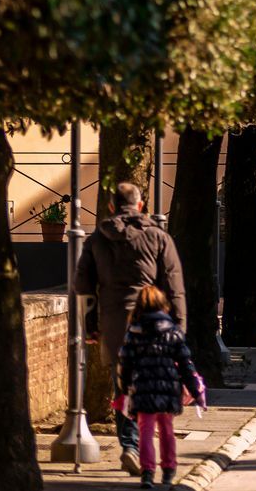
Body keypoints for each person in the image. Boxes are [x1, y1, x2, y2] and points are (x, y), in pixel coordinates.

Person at [75, 181, 186, 474]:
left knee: (122, 385)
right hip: (153, 323)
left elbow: (83, 285)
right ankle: (142, 445)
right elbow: (175, 289)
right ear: (140, 205)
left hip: (113, 322)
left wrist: (89, 326)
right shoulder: (158, 237)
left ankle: (130, 445)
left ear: (111, 207)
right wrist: (179, 330)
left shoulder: (98, 238)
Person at [114, 284, 205, 486]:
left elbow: (125, 362)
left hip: (143, 389)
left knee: (145, 430)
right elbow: (185, 363)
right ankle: (169, 469)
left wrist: (125, 388)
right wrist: (195, 391)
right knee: (166, 430)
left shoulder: (134, 331)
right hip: (168, 389)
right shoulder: (173, 331)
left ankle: (147, 472)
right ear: (162, 305)